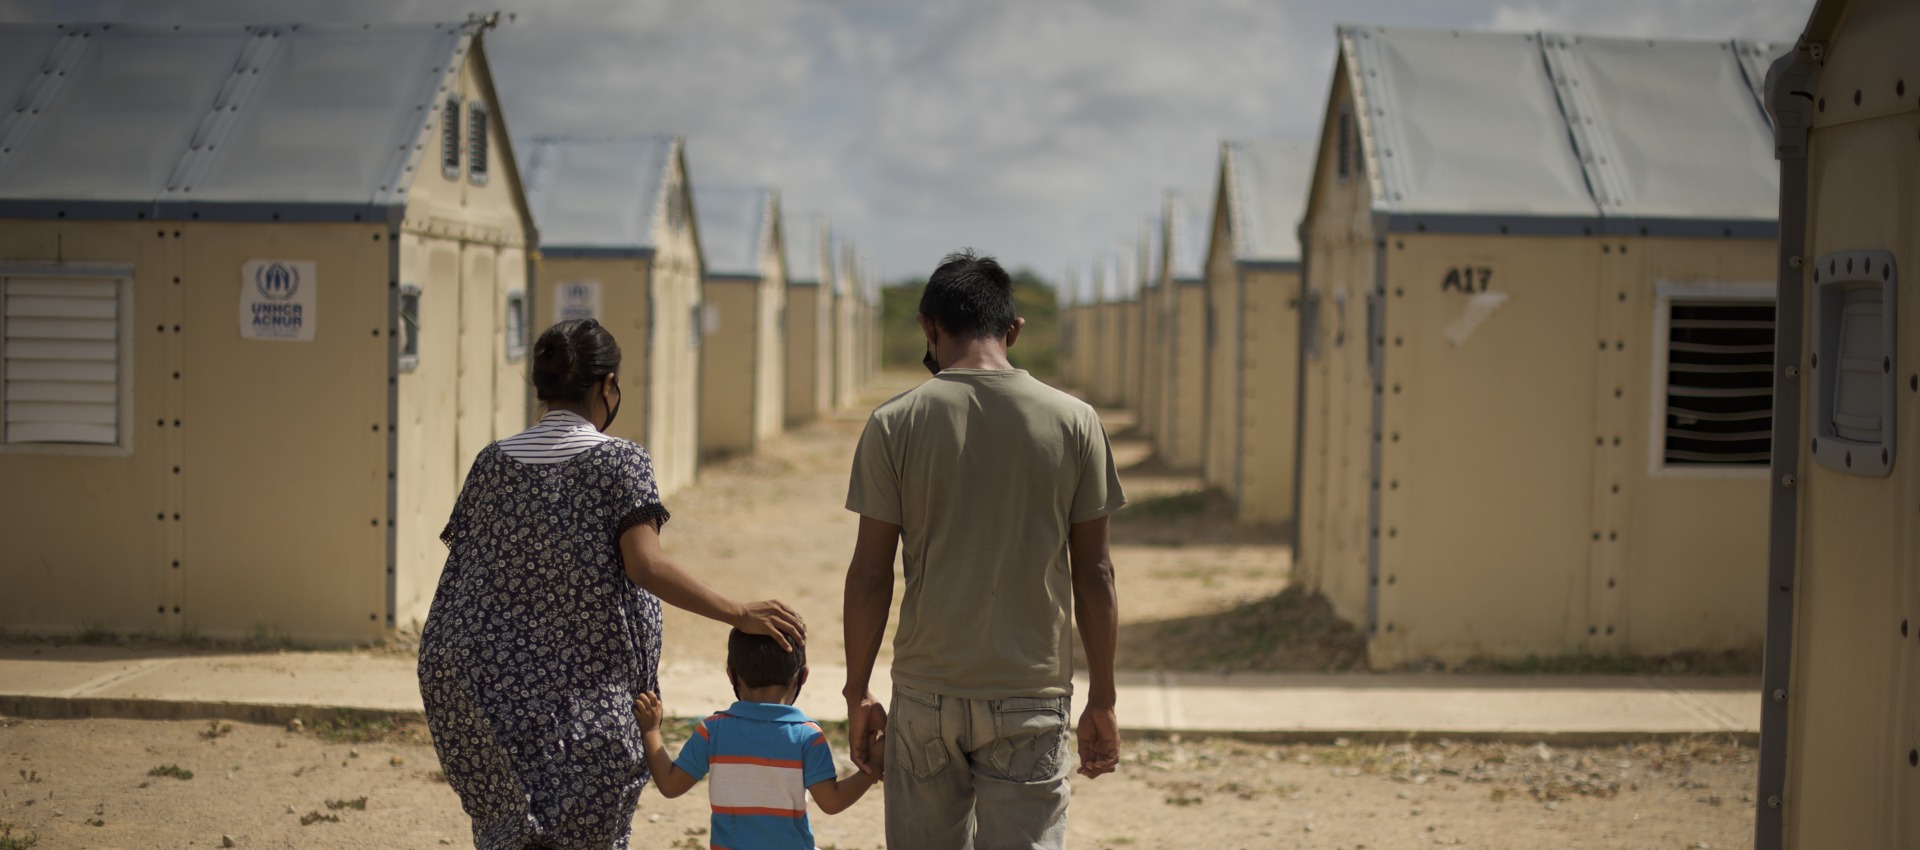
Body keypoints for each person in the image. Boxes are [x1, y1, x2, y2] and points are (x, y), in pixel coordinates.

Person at [418, 318, 805, 850]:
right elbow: (645, 566)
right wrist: (738, 612)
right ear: (608, 386)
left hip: (493, 710)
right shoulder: (619, 460)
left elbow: (465, 581)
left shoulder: (492, 463)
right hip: (586, 716)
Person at [842, 250, 1125, 849]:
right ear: (1014, 329)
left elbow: (871, 574)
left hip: (924, 693)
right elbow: (1094, 574)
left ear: (928, 325)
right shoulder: (1076, 422)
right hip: (1030, 694)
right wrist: (1102, 698)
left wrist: (858, 690)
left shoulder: (894, 423)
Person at [634, 629, 882, 849]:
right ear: (803, 676)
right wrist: (872, 769)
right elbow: (832, 801)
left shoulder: (713, 731)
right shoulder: (807, 736)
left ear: (731, 676)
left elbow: (669, 785)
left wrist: (650, 730)